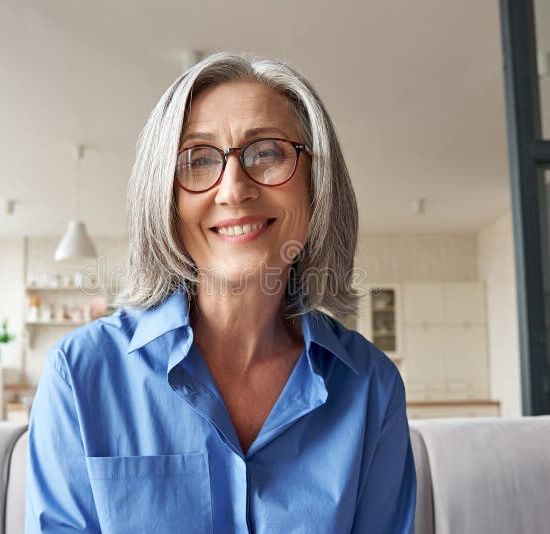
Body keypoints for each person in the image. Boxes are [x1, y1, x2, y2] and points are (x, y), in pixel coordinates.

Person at [25, 52, 416, 533]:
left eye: (268, 152)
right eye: (197, 159)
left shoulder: (371, 387)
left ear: (317, 185)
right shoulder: (80, 374)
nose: (233, 190)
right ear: (164, 196)